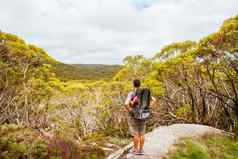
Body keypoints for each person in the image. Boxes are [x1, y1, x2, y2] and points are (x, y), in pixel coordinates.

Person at [124, 79, 156, 155]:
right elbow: (154, 100)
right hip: (144, 115)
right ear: (140, 84)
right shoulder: (144, 93)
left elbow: (126, 104)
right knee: (141, 133)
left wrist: (130, 111)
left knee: (136, 134)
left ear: (133, 84)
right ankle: (141, 150)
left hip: (134, 115)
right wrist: (148, 108)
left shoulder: (132, 93)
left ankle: (135, 150)